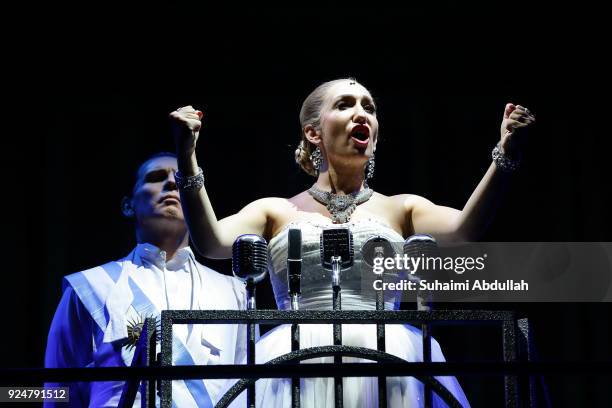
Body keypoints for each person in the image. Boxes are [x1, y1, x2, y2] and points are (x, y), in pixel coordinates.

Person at [169, 78, 535, 407]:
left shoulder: (401, 207)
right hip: (295, 356)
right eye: (345, 104)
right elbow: (211, 241)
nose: (362, 113)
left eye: (369, 108)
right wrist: (186, 157)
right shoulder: (274, 210)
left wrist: (505, 155)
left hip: (388, 354)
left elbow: (465, 229)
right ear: (313, 133)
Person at [44, 152, 247, 408]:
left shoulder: (234, 291)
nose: (172, 183)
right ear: (128, 205)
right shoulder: (90, 286)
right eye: (156, 178)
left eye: (181, 178)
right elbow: (57, 389)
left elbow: (248, 388)